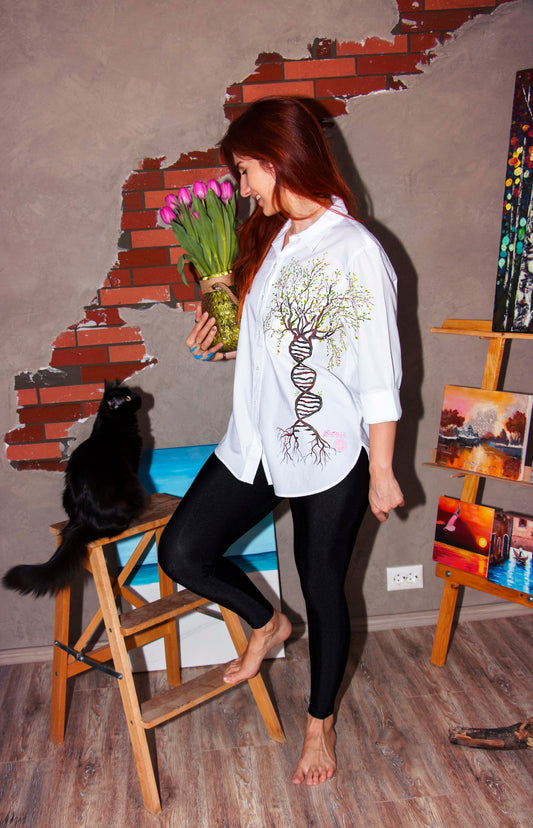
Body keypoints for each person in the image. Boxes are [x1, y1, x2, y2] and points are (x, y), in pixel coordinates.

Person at [158, 96, 404, 786]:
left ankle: (319, 725)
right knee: (183, 552)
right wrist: (225, 339)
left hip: (329, 450)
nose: (242, 188)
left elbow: (378, 372)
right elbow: (282, 343)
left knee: (322, 587)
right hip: (257, 442)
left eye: (244, 171)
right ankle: (267, 622)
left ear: (276, 160)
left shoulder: (354, 250)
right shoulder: (270, 239)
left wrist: (382, 469)